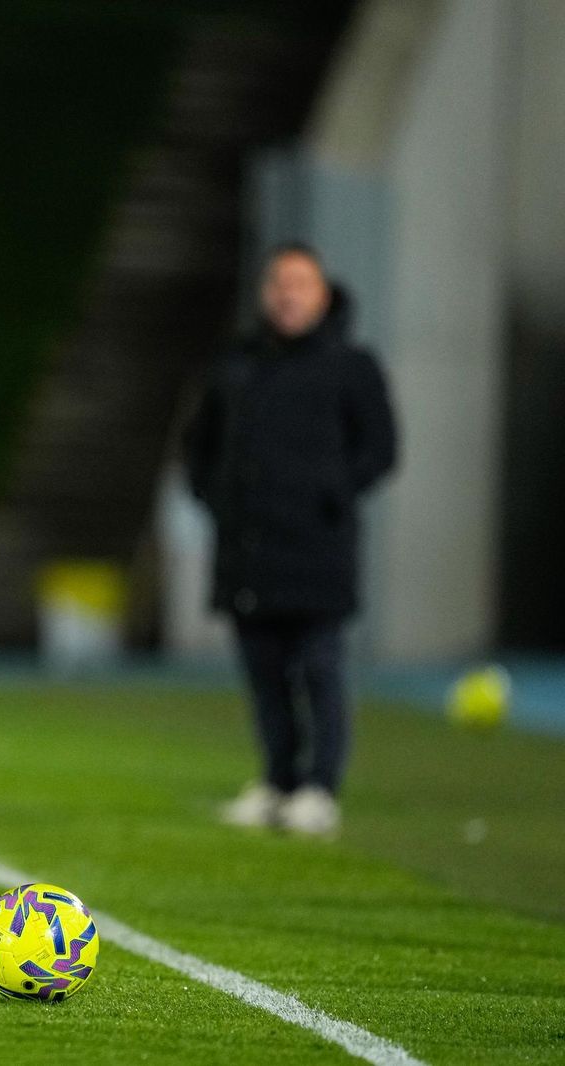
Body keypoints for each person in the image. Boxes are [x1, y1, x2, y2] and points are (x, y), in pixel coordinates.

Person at [183, 243, 397, 837]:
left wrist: (330, 494)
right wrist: (215, 499)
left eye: (301, 283)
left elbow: (381, 450)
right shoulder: (235, 364)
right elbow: (198, 447)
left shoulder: (352, 365)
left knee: (321, 671)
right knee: (265, 676)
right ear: (264, 293)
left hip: (317, 552)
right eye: (279, 282)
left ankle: (320, 788)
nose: (287, 293)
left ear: (323, 294)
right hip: (247, 552)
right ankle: (278, 780)